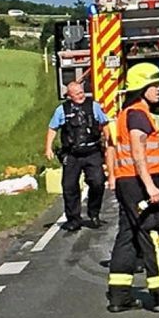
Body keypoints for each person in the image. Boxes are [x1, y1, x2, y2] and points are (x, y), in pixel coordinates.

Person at [105, 63, 159, 313]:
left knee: (127, 236)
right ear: (142, 88)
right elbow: (138, 153)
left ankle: (119, 296)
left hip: (127, 182)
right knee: (152, 233)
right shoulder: (138, 114)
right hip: (140, 183)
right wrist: (151, 185)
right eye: (154, 85)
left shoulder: (127, 113)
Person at [44, 81, 110, 231]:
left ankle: (94, 214)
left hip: (92, 151)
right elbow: (52, 128)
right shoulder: (62, 110)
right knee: (69, 186)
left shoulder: (93, 106)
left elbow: (104, 123)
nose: (81, 96)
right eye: (77, 94)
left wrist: (108, 143)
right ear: (69, 95)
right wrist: (48, 148)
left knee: (98, 182)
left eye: (82, 92)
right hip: (72, 154)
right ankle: (73, 219)